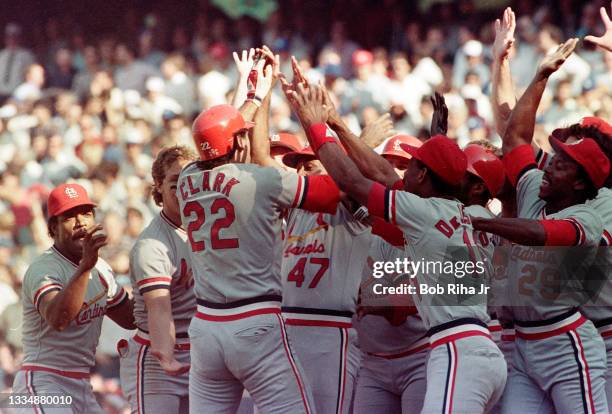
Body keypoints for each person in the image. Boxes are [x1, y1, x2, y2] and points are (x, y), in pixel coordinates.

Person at [284, 79, 507, 412]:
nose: (403, 172)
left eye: (414, 165)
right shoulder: (458, 213)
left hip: (457, 350)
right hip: (472, 346)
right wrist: (337, 123)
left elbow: (354, 180)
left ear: (422, 176)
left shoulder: (426, 212)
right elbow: (384, 176)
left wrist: (315, 124)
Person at [177, 57, 340, 412]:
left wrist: (254, 94)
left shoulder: (187, 179)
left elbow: (216, 140)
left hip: (205, 327)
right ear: (238, 142)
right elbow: (332, 193)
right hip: (255, 322)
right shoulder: (262, 180)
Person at [472, 38, 610, 413]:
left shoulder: (593, 212)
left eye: (563, 161)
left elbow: (541, 235)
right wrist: (538, 75)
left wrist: (485, 223)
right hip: (524, 342)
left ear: (583, 179)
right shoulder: (538, 185)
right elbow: (513, 134)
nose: (549, 162)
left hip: (578, 336)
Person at [13, 183, 134, 413]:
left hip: (81, 383)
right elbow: (59, 319)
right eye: (69, 216)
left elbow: (130, 317)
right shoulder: (44, 268)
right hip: (42, 381)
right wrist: (86, 267)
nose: (81, 222)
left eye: (86, 213)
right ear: (53, 228)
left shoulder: (102, 269)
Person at [120, 146, 197, 414]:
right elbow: (159, 308)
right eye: (176, 183)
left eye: (190, 180)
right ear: (159, 186)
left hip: (199, 348)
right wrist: (166, 355)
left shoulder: (206, 226)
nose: (184, 189)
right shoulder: (153, 243)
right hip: (158, 354)